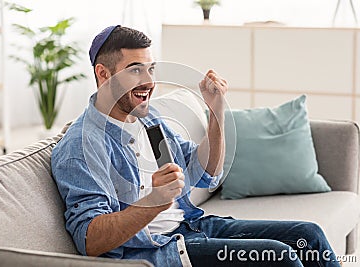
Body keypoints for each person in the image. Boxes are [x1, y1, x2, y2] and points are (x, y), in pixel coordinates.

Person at [51, 25, 341, 267]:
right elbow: (90, 240)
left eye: (150, 69)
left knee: (309, 235)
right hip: (158, 251)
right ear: (103, 74)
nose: (150, 81)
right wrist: (153, 202)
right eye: (135, 70)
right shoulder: (81, 145)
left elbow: (204, 173)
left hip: (193, 226)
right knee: (280, 257)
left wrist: (214, 111)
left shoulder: (148, 119)